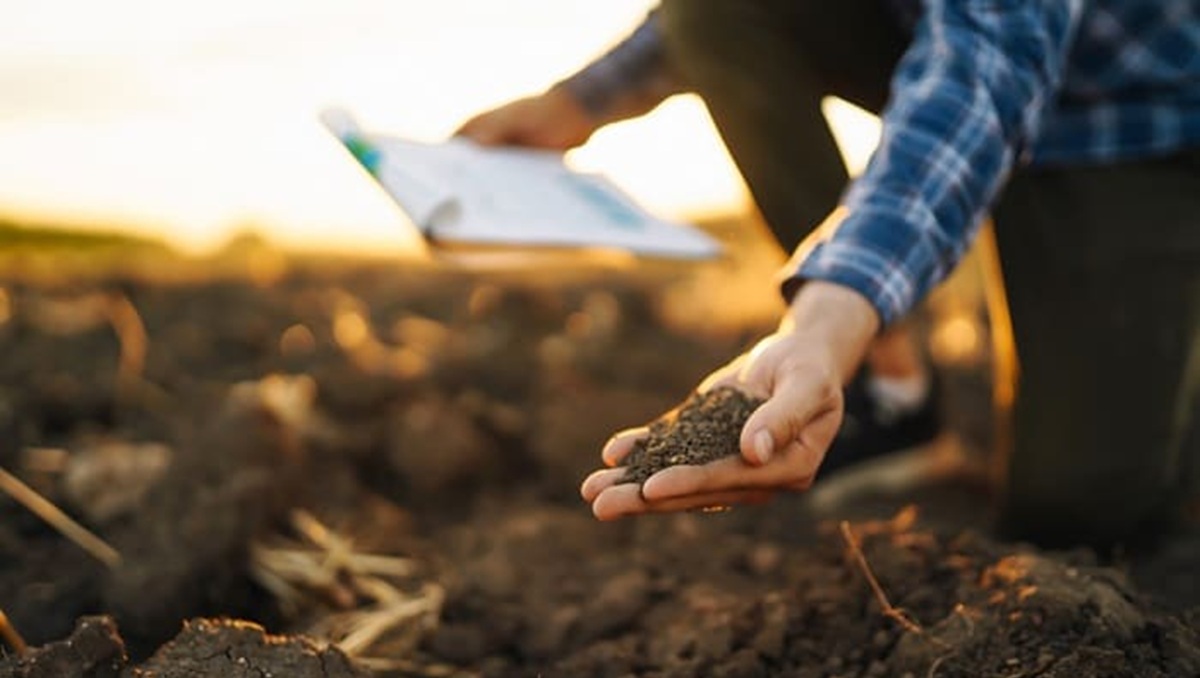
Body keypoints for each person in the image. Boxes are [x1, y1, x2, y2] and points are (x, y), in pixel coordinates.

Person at [457, 0, 1200, 548]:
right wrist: (577, 103)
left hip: (1118, 115)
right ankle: (892, 386)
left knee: (1078, 517)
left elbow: (985, 67)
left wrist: (824, 318)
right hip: (930, 31)